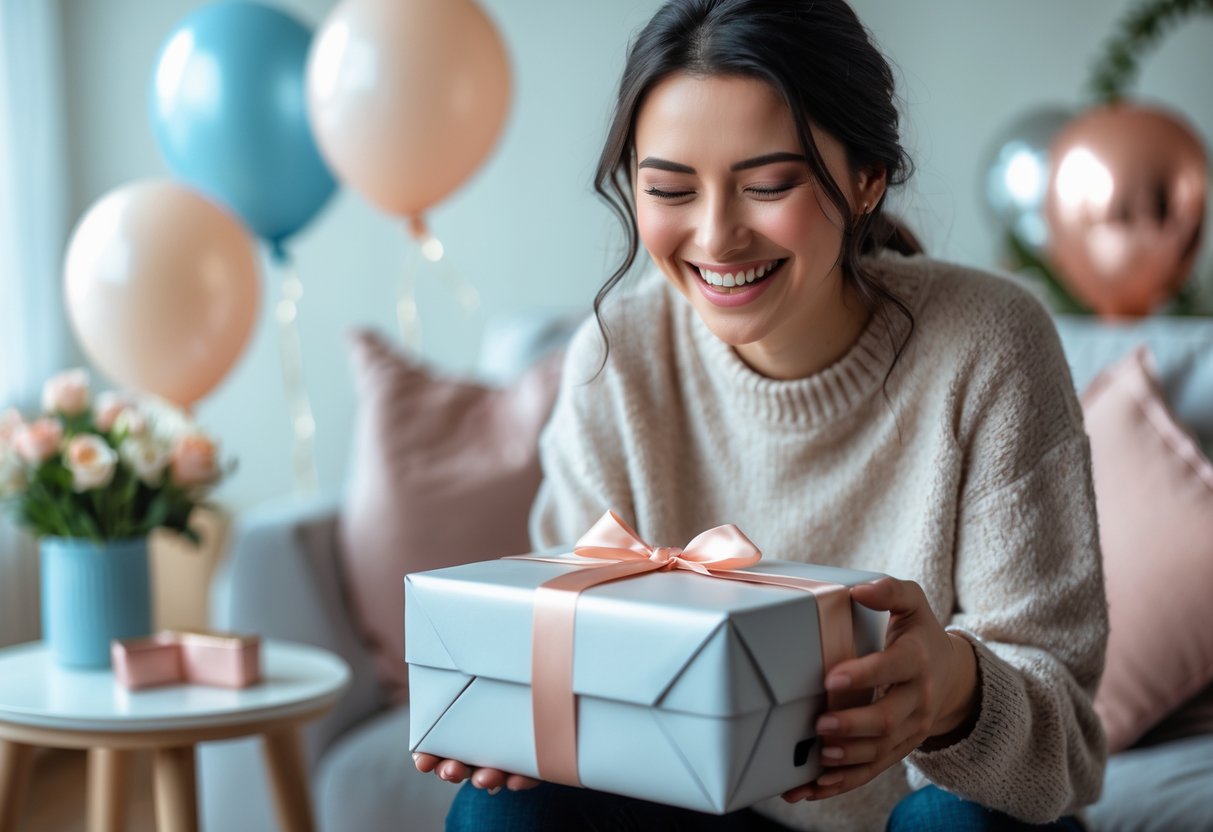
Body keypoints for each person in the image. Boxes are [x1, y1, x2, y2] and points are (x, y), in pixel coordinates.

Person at [415, 0, 1108, 829]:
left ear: (865, 180)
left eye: (768, 185)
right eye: (669, 188)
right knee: (497, 812)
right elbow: (571, 632)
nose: (716, 236)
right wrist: (517, 720)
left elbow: (1067, 741)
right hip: (711, 805)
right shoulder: (618, 355)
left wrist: (951, 691)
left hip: (924, 812)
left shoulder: (988, 343)